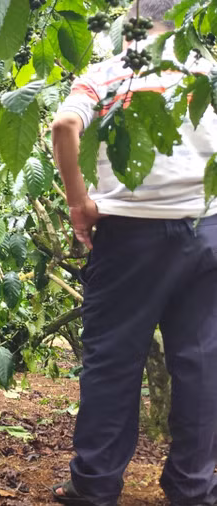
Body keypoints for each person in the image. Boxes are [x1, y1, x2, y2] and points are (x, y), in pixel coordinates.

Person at [49, 0, 217, 504]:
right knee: (202, 362)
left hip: (130, 237)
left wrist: (79, 204)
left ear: (127, 27)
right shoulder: (206, 70)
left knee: (112, 363)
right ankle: (194, 486)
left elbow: (62, 126)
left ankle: (96, 485)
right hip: (206, 230)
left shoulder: (107, 73)